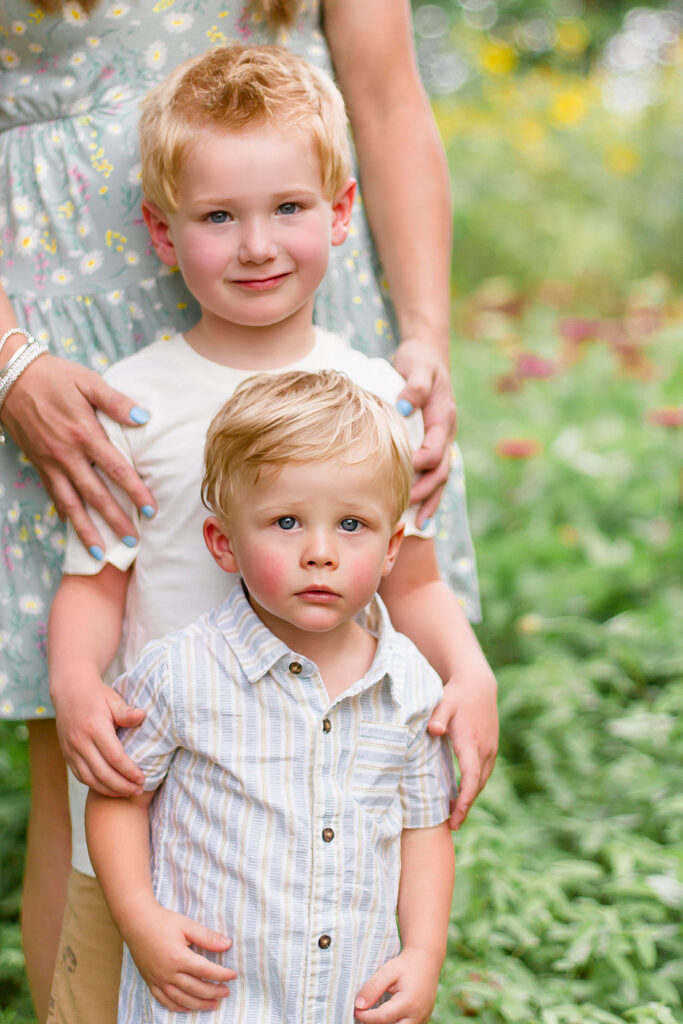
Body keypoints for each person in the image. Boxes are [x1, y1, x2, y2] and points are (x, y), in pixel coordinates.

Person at [0, 2, 494, 1018]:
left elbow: (412, 575)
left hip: (305, 810)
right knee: (104, 933)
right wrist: (77, 680)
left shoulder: (362, 401)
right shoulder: (133, 402)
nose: (256, 246)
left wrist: (470, 670)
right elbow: (97, 575)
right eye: (220, 218)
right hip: (154, 801)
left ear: (336, 211)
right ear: (167, 231)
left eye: (286, 213)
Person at [85, 369, 457, 1024]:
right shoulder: (180, 673)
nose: (319, 553)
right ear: (224, 543)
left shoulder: (409, 687)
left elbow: (424, 829)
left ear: (392, 546)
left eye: (351, 524)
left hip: (348, 996)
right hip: (210, 999)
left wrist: (424, 953)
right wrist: (140, 920)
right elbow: (119, 797)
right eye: (286, 522)